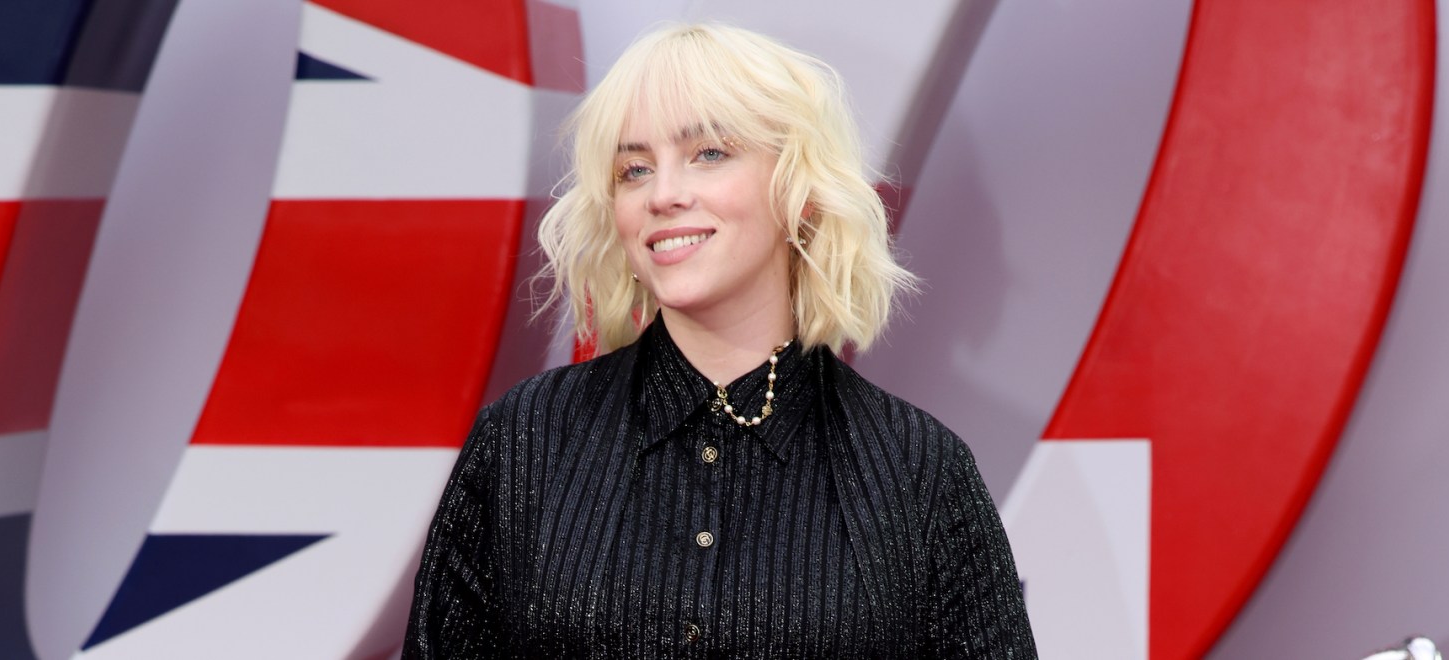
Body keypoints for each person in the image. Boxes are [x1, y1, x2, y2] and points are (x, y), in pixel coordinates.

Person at [404, 22, 1036, 658]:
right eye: (633, 169)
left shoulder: (919, 468)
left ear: (799, 191)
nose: (663, 195)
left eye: (708, 153)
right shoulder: (524, 440)